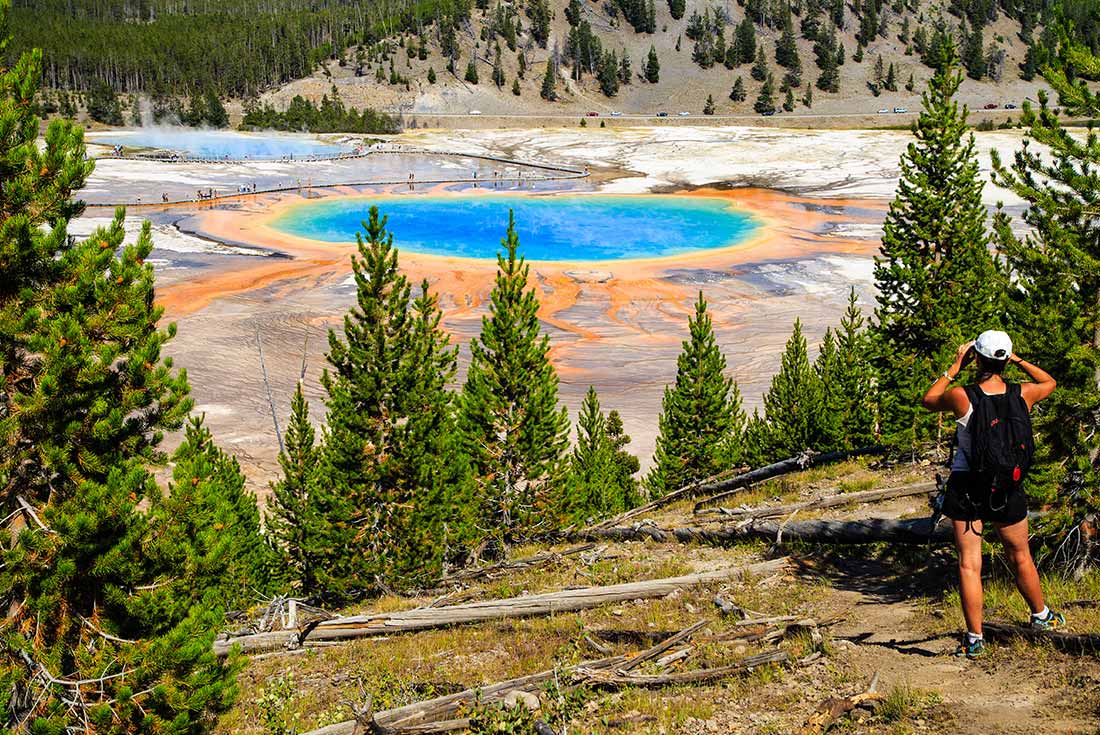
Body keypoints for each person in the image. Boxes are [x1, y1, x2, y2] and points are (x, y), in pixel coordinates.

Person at [922, 330, 1063, 659]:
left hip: (967, 485)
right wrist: (1018, 360)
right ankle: (1041, 616)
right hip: (1007, 486)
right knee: (1021, 555)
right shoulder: (1023, 394)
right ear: (1004, 359)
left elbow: (929, 399)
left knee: (970, 565)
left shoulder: (963, 396)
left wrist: (954, 367)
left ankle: (975, 639)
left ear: (977, 358)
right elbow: (1051, 383)